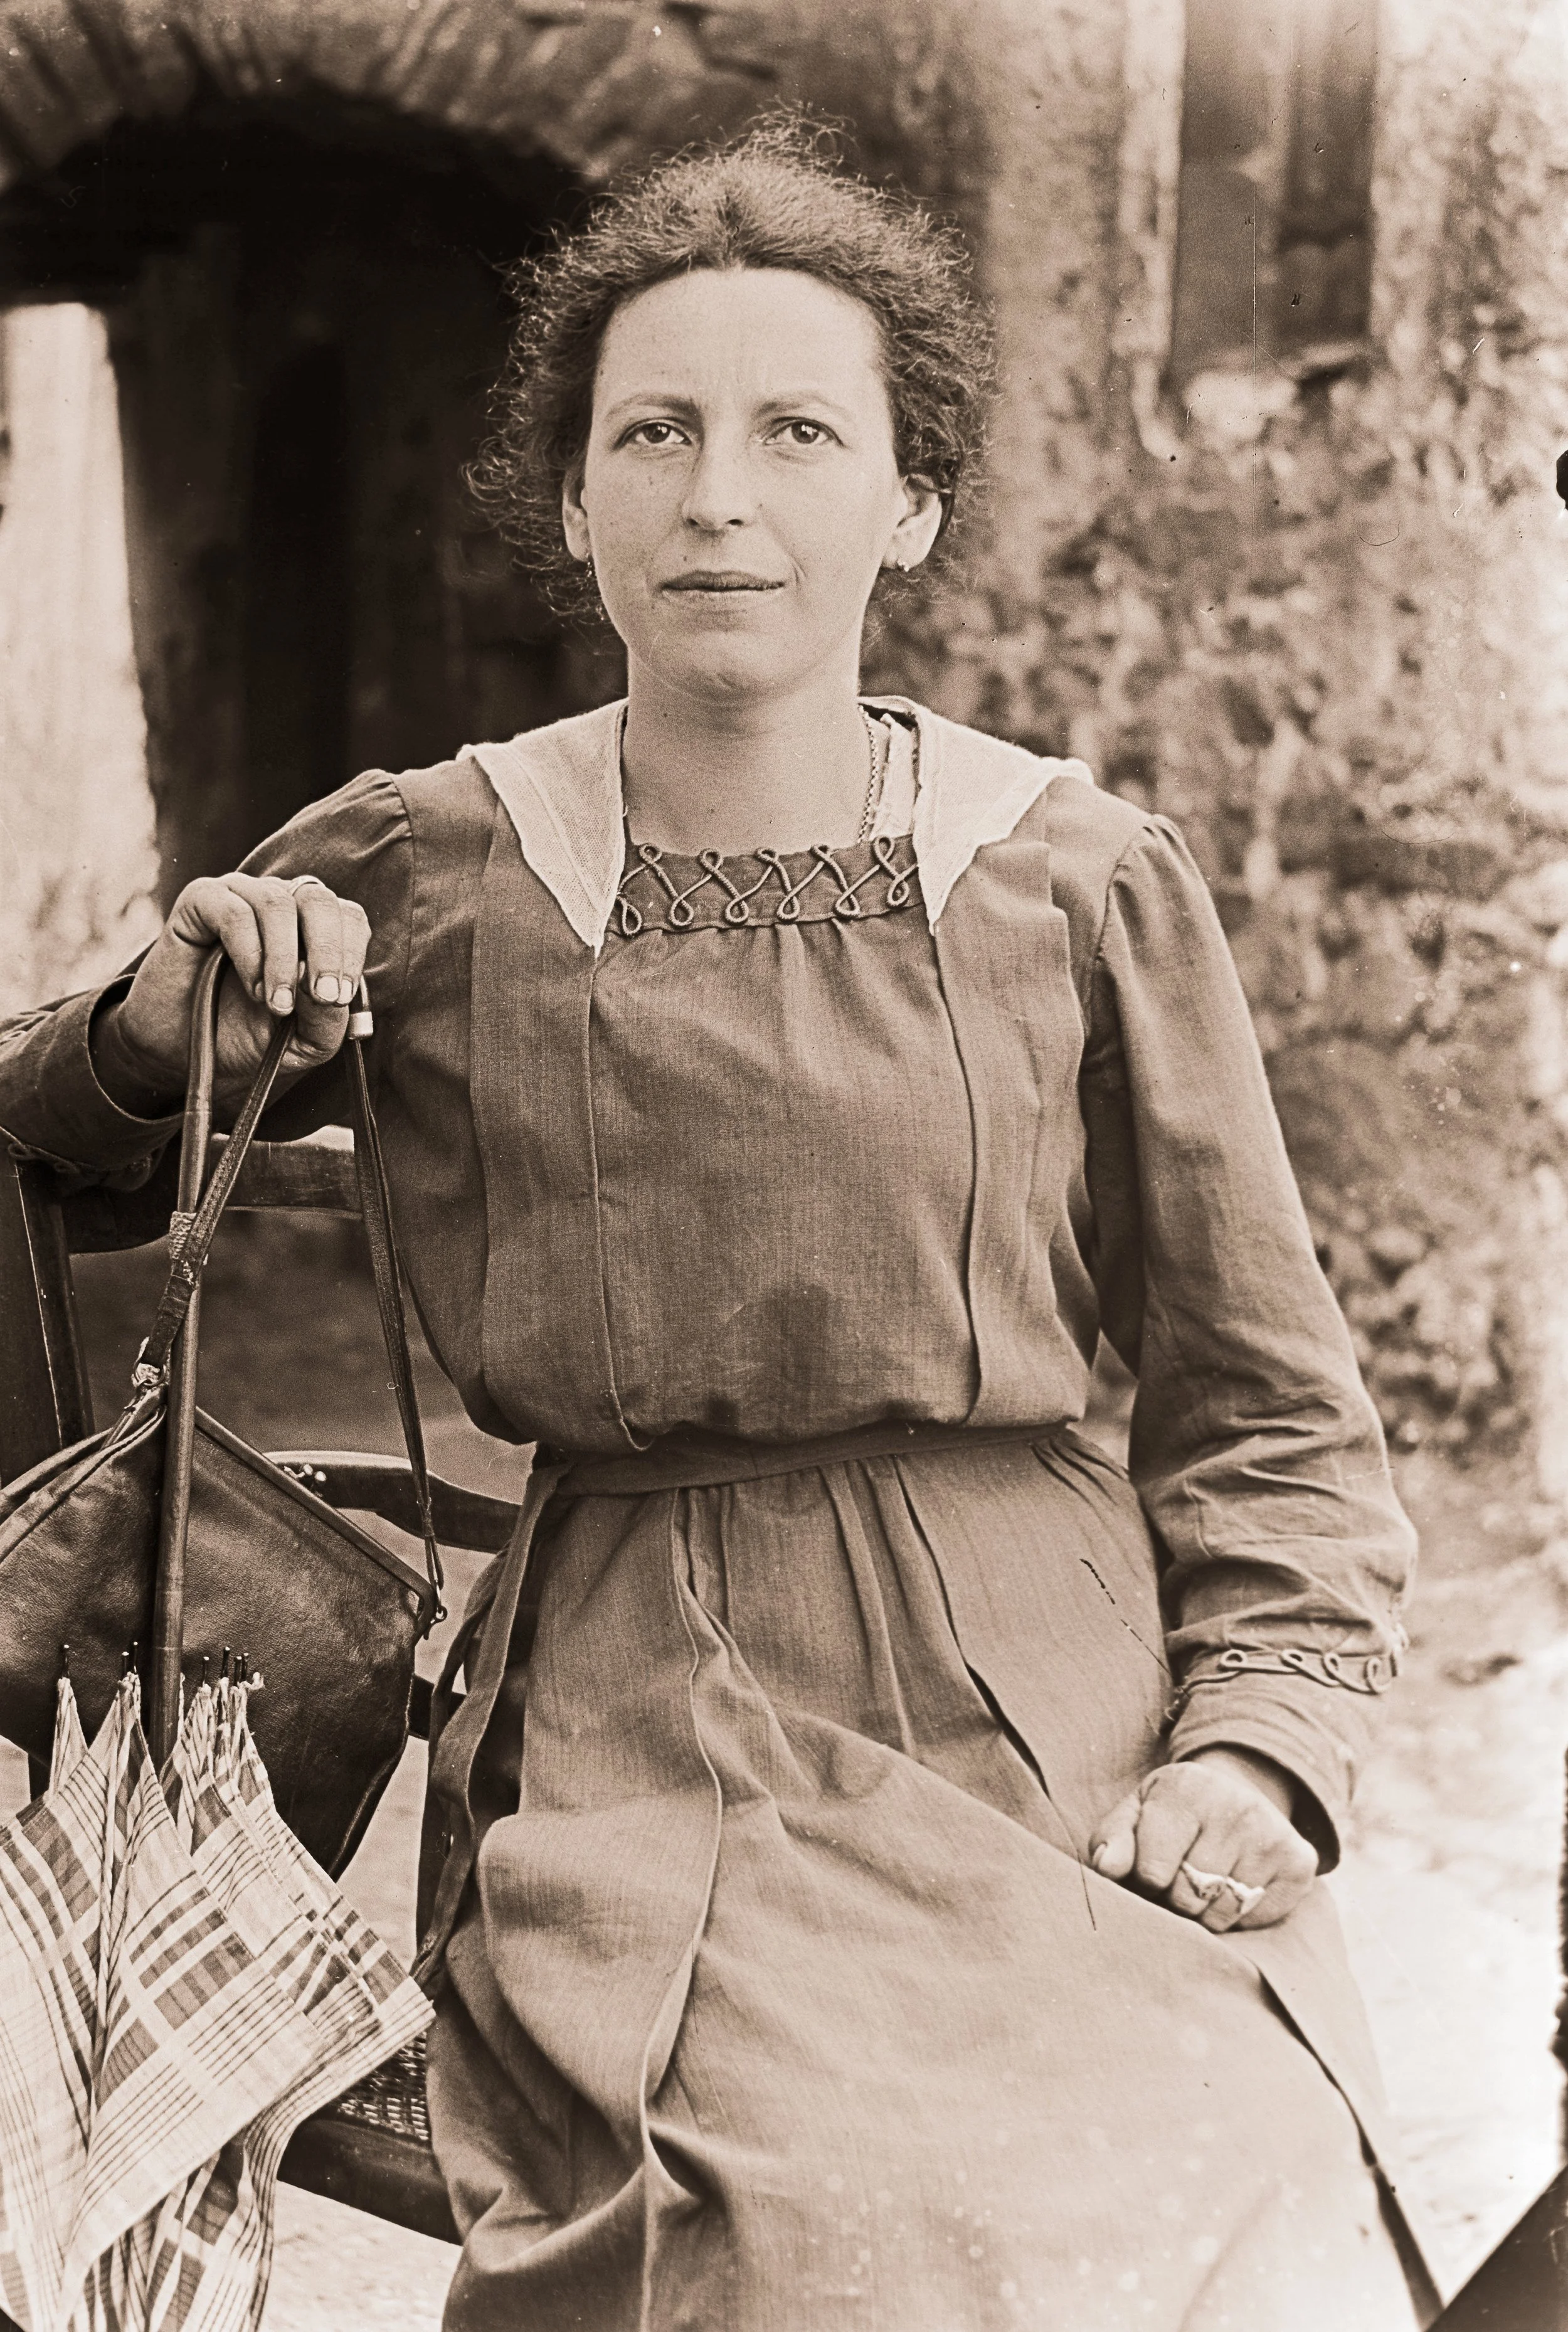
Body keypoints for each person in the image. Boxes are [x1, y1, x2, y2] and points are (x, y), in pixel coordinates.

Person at [0, 125, 1438, 2331]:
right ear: (574, 509)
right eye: (650, 434)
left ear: (912, 502)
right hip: (642, 1716)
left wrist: (1259, 1733)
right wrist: (169, 1009)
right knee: (807, 2225)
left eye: (796, 433)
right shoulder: (436, 865)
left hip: (1041, 1693)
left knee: (1214, 2197)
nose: (718, 495)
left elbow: (1268, 1405)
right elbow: (64, 1149)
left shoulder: (1077, 876)